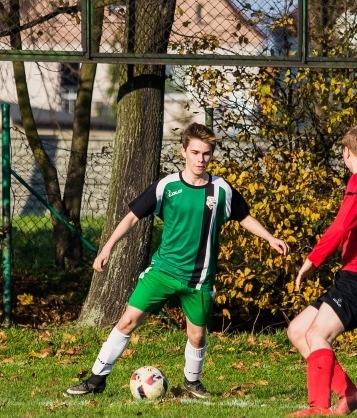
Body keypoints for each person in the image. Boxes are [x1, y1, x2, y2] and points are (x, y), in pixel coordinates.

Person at [65, 123, 289, 398]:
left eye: (206, 154)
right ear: (183, 151)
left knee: (197, 336)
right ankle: (96, 379)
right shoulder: (166, 186)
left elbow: (243, 217)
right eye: (195, 152)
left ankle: (192, 383)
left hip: (199, 279)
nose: (200, 159)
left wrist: (269, 238)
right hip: (162, 271)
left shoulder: (221, 190)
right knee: (127, 322)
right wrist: (107, 248)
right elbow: (132, 216)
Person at [286, 125, 357, 418]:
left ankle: (319, 407)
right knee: (298, 331)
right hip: (356, 274)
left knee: (318, 333)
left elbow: (341, 224)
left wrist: (312, 261)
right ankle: (350, 394)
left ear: (346, 153)